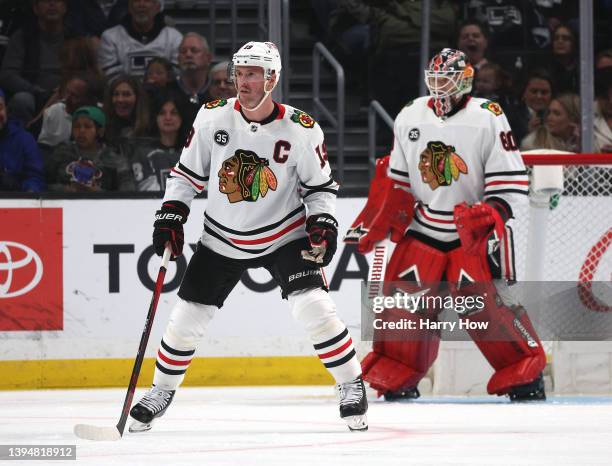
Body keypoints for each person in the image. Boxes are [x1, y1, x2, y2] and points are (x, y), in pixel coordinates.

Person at [129, 41, 368, 433]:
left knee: (314, 309)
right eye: (240, 72)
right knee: (184, 321)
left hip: (284, 235)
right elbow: (185, 176)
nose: (243, 81)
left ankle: (350, 383)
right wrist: (171, 214)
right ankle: (160, 390)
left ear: (272, 78)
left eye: (253, 73)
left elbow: (321, 187)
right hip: (221, 238)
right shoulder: (211, 118)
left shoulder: (301, 128)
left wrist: (322, 222)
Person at [344, 48, 546, 402]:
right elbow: (399, 181)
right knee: (403, 302)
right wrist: (376, 218)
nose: (439, 86)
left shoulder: (487, 116)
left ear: (465, 79)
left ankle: (524, 371)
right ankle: (400, 369)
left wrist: (492, 211)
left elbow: (510, 180)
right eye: (434, 79)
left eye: (446, 78)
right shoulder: (410, 114)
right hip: (425, 226)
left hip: (472, 230)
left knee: (482, 305)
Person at [0, 0, 73, 125]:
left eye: (57, 0)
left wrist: (65, 90)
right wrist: (34, 89)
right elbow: (7, 74)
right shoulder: (22, 36)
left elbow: (86, 75)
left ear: (65, 7)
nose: (52, 4)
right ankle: (22, 139)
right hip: (32, 94)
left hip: (65, 95)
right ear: (35, 8)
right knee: (22, 100)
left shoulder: (74, 38)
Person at [46, 105, 133, 191]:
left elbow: (128, 192)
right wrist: (63, 189)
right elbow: (42, 183)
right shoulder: (62, 152)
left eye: (87, 126)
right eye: (77, 126)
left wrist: (97, 193)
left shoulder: (114, 158)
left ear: (100, 131)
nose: (81, 131)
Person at [98, 0, 182, 79]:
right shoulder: (110, 38)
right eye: (136, 0)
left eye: (147, 0)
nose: (141, 5)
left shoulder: (174, 38)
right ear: (130, 7)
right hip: (126, 93)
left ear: (157, 7)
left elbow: (176, 78)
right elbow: (111, 80)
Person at [125, 90, 188, 191]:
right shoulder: (143, 154)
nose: (168, 117)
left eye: (174, 113)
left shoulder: (194, 152)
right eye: (162, 113)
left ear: (182, 118)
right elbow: (147, 191)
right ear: (156, 118)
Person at [0, 88, 45, 192]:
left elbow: (36, 178)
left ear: (6, 109)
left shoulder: (24, 139)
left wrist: (22, 188)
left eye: (0, 107)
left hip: (14, 203)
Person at [103, 74, 150, 149]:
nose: (120, 99)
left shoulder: (151, 127)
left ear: (138, 97)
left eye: (126, 94)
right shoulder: (105, 127)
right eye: (116, 94)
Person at [175, 32, 213, 125]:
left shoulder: (218, 90)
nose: (188, 55)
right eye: (183, 51)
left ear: (208, 58)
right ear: (178, 59)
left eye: (194, 50)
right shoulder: (167, 92)